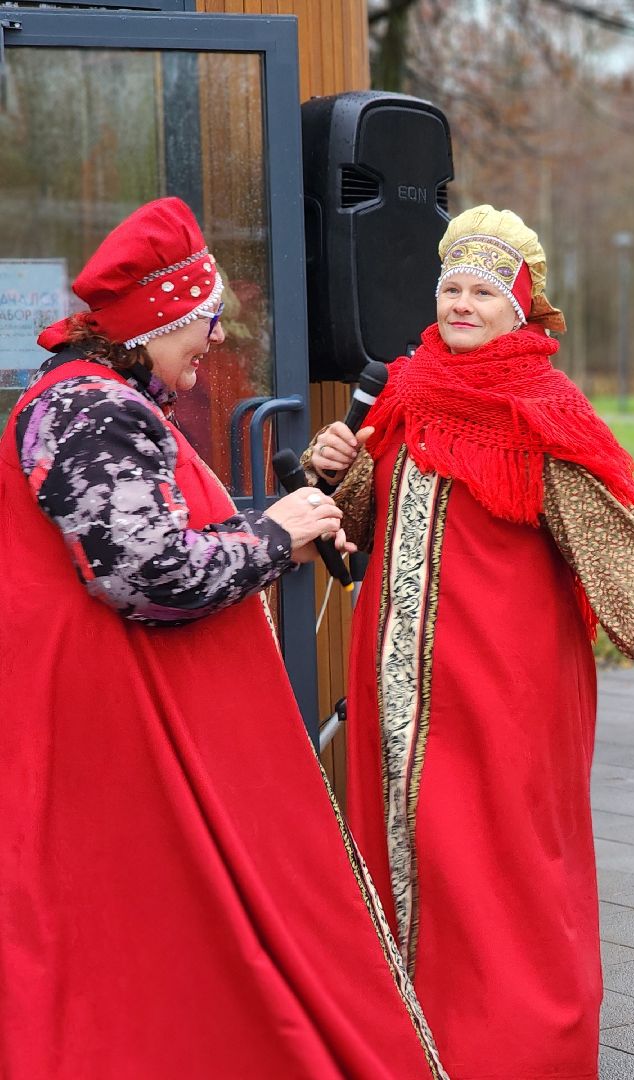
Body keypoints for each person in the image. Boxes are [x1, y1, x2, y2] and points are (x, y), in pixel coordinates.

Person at [0, 197, 443, 1077]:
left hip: (114, 723)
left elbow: (148, 533)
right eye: (200, 328)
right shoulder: (99, 411)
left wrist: (268, 523)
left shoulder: (95, 401)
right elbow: (146, 576)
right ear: (159, 318)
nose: (206, 354)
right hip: (120, 737)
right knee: (158, 957)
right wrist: (274, 535)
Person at [310, 204, 634, 1080]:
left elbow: (608, 528)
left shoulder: (541, 408)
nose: (461, 302)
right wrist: (330, 469)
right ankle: (413, 1039)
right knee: (408, 849)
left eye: (483, 290)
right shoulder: (406, 389)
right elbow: (358, 523)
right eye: (450, 286)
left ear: (519, 307)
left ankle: (513, 1047)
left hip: (500, 687)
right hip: (398, 682)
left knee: (498, 863)